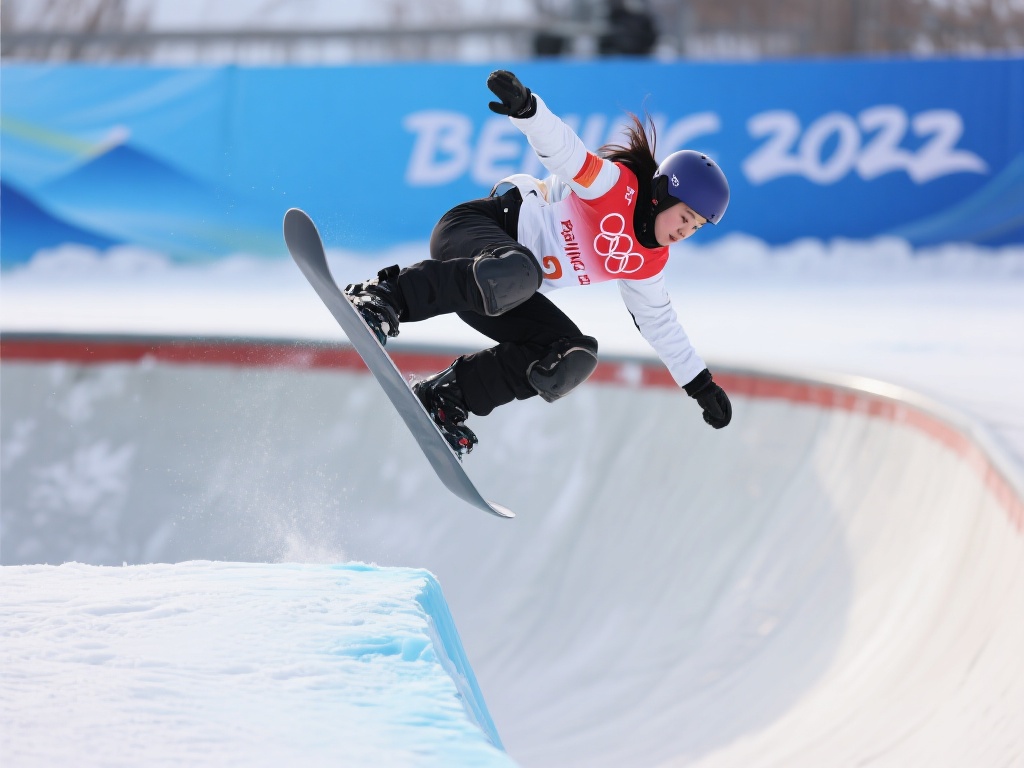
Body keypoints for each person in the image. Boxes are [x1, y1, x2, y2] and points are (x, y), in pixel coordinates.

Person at [345, 70, 732, 455]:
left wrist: (700, 385)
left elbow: (660, 324)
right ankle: (384, 296)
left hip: (496, 294)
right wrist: (528, 110)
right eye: (685, 217)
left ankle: (447, 397)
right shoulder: (614, 187)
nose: (685, 231)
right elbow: (567, 152)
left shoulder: (647, 263)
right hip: (471, 231)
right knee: (520, 271)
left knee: (571, 355)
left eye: (696, 227)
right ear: (661, 193)